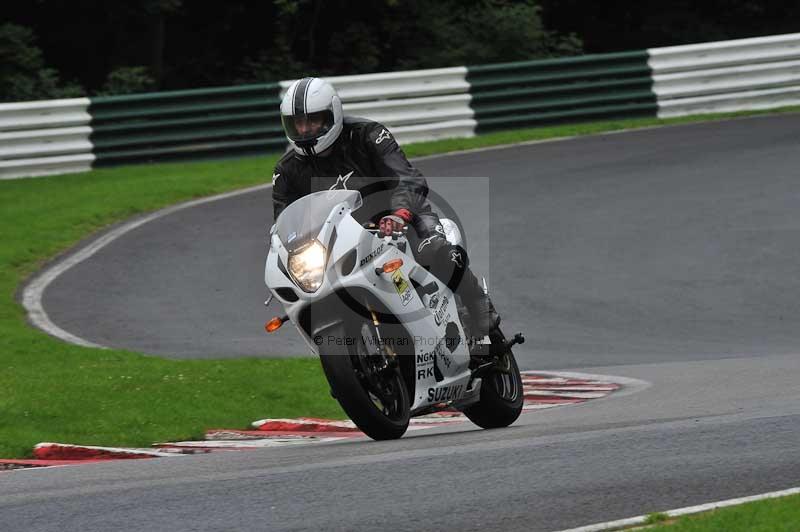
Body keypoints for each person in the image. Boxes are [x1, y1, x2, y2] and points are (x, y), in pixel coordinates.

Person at [272, 77, 500, 345]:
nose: (305, 129)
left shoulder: (368, 135)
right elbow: (284, 224)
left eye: (312, 121)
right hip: (345, 243)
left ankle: (476, 300)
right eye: (297, 123)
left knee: (435, 251)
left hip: (401, 218)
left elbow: (408, 178)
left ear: (332, 115)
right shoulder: (286, 171)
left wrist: (399, 214)